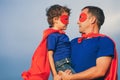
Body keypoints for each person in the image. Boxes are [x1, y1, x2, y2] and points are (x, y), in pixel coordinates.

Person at [59, 6, 118, 80]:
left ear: (92, 20)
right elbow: (60, 61)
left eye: (81, 17)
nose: (78, 22)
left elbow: (100, 71)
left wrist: (71, 77)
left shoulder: (104, 41)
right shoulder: (73, 42)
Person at [21, 4, 75, 80]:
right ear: (55, 19)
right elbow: (50, 55)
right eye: (65, 19)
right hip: (62, 65)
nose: (68, 22)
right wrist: (55, 75)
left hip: (68, 64)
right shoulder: (53, 36)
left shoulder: (62, 35)